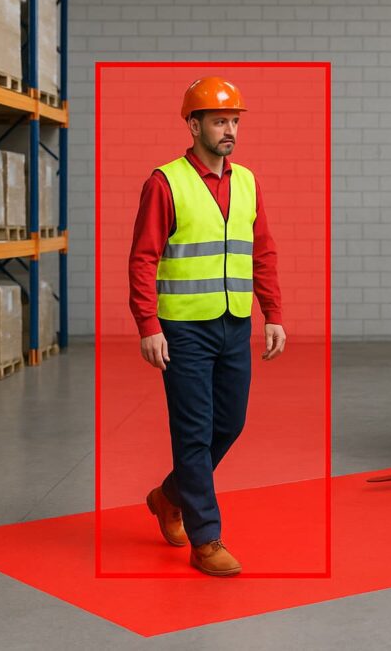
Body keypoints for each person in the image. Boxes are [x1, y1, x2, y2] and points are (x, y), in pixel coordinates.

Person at [128, 77, 286, 576]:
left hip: (234, 323)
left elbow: (263, 253)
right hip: (184, 330)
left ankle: (169, 494)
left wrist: (273, 313)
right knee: (193, 432)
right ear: (193, 124)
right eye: (220, 120)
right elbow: (142, 259)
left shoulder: (248, 182)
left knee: (230, 423)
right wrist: (148, 323)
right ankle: (207, 537)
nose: (230, 129)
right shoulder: (165, 182)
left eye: (235, 120)